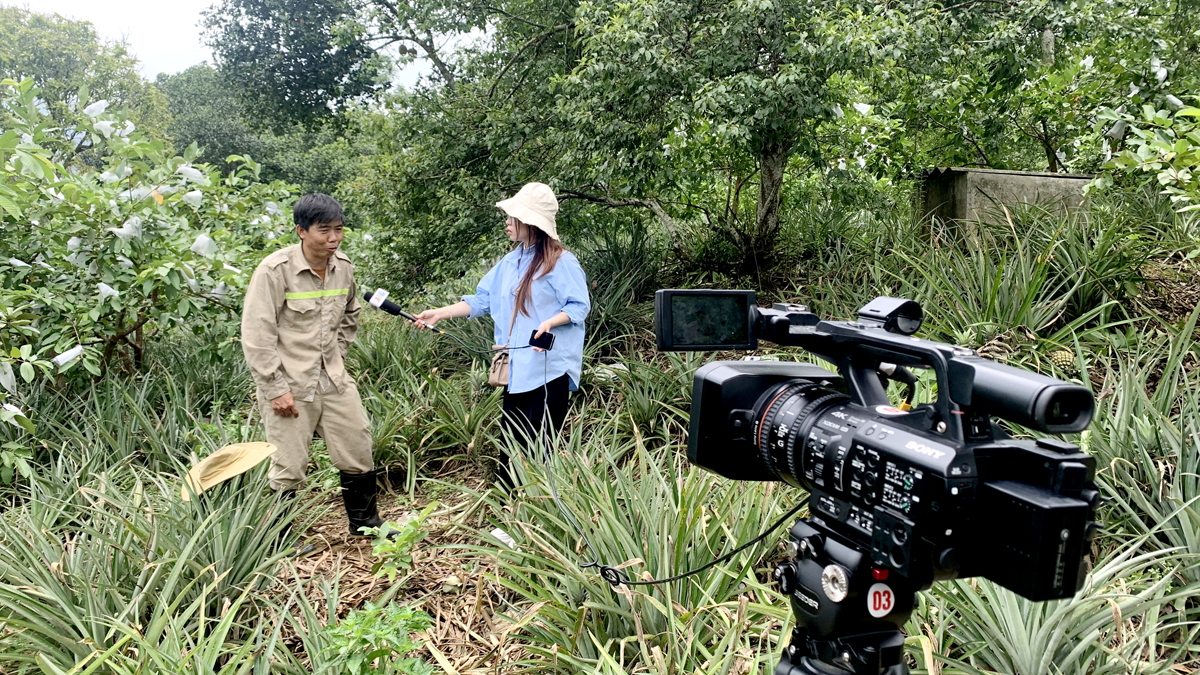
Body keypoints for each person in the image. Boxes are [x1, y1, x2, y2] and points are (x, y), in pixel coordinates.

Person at [415, 183, 590, 489]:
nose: (507, 223)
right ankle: (512, 517)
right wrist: (440, 312)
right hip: (517, 370)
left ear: (531, 222)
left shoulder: (562, 262)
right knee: (511, 447)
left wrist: (549, 322)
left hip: (549, 371)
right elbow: (482, 299)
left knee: (541, 450)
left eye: (513, 217)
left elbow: (579, 306)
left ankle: (542, 519)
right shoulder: (511, 262)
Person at [241, 193, 389, 541]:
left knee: (358, 446)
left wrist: (338, 351)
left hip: (333, 379)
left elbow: (351, 313)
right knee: (289, 466)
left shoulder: (343, 267)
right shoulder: (274, 271)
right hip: (290, 384)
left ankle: (366, 525)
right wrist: (275, 389)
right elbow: (257, 335)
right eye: (324, 231)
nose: (333, 238)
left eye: (339, 230)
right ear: (301, 231)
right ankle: (280, 541)